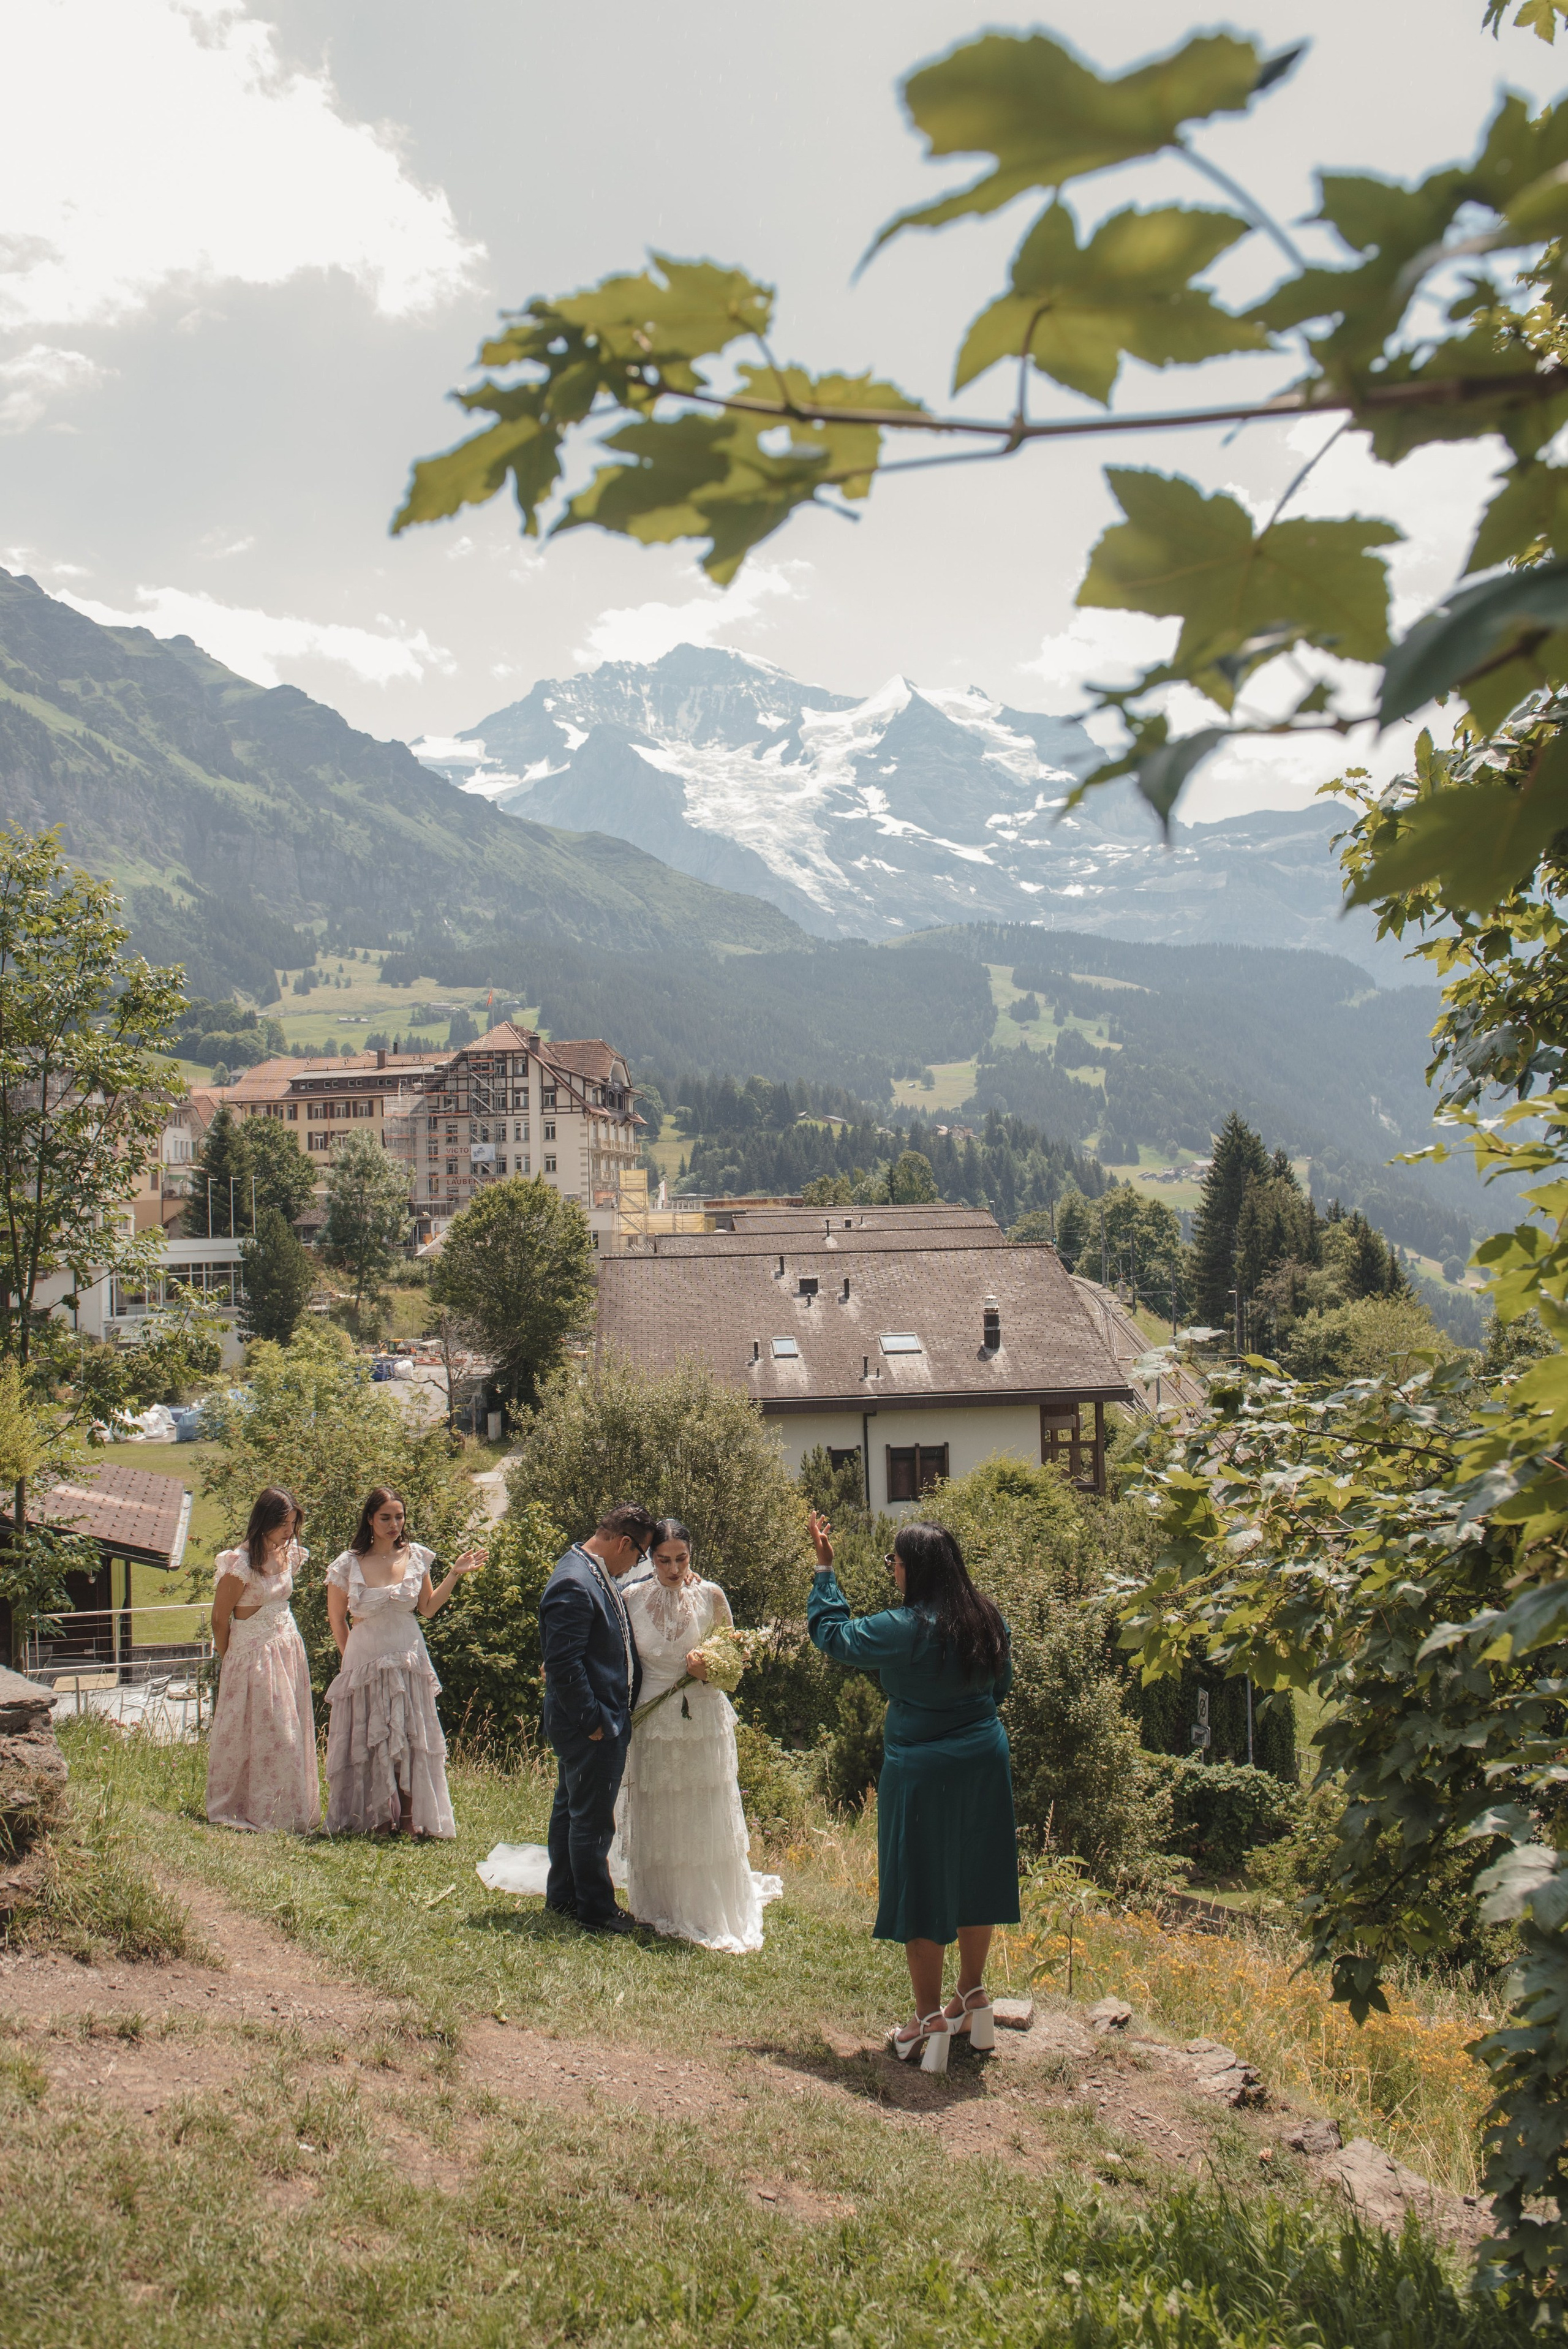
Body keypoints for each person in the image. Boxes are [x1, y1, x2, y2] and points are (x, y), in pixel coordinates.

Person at [807, 1510, 1019, 2075]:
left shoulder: (904, 1627)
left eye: (893, 1562)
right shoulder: (988, 1617)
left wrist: (825, 1571)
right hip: (984, 1757)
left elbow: (833, 1635)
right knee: (978, 1873)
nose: (892, 1571)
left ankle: (927, 2020)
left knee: (924, 1884)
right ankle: (972, 1995)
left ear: (915, 1570)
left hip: (924, 1768)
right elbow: (1003, 1685)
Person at [611, 1518, 781, 1952]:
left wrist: (711, 1669)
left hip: (701, 1717)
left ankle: (707, 1903)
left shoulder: (711, 1595)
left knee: (701, 1805)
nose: (673, 1569)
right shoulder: (631, 1598)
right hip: (652, 1719)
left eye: (681, 1559)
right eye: (663, 1560)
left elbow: (737, 1660)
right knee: (661, 1804)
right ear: (650, 1559)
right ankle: (661, 1900)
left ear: (693, 1556)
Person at [323, 1487, 486, 1838]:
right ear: (370, 1519)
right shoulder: (347, 1564)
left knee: (411, 1735)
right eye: (386, 1517)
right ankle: (378, 1819)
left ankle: (411, 1819)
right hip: (364, 1658)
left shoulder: (416, 1557)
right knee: (371, 1736)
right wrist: (350, 1663)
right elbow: (337, 1619)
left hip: (408, 1655)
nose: (394, 1524)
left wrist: (455, 1574)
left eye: (399, 1517)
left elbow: (427, 1608)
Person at [538, 1502, 655, 1932]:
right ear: (624, 1542)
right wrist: (594, 1721)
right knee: (591, 1818)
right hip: (588, 1724)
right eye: (640, 1553)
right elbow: (564, 1664)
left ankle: (565, 1897)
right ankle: (597, 1910)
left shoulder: (591, 1569)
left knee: (572, 1809)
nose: (637, 1563)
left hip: (596, 1719)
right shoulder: (573, 1581)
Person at [206, 1487, 320, 1833]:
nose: (289, 1532)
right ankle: (252, 1808)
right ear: (265, 1522)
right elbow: (218, 1618)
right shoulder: (240, 1565)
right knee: (267, 1732)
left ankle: (287, 1808)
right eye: (284, 1525)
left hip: (286, 1649)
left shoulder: (288, 1554)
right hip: (253, 1655)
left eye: (292, 1524)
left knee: (289, 1731)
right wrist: (232, 1659)